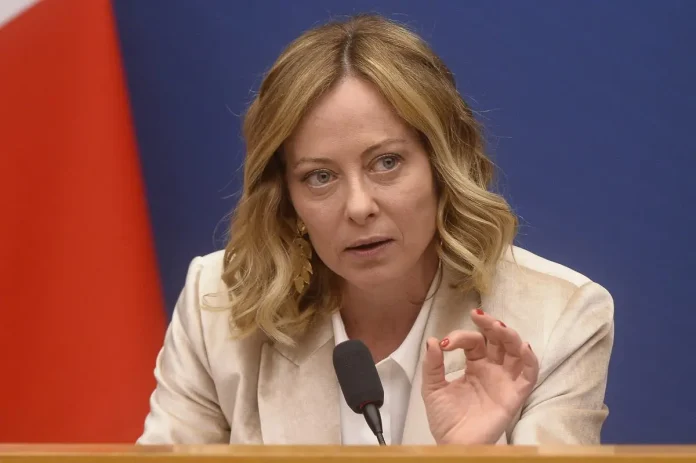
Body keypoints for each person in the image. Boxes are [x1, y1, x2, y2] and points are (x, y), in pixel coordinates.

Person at [136, 13, 614, 446]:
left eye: (386, 162)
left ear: (443, 166)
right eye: (320, 176)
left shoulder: (558, 319)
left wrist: (469, 458)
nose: (359, 207)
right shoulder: (218, 306)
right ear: (286, 197)